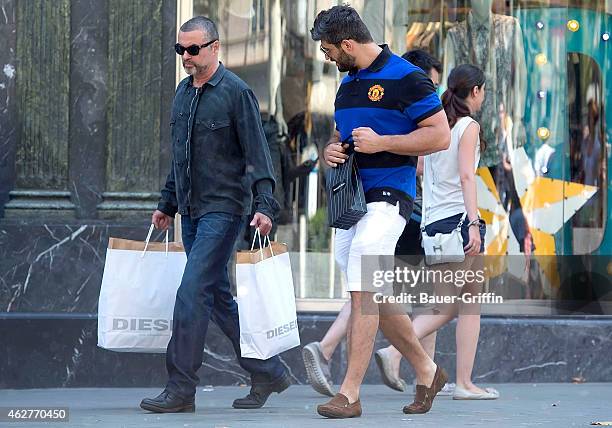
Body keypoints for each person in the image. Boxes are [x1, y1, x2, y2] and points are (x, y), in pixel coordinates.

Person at [140, 16, 290, 413]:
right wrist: (167, 205)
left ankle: (181, 388)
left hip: (224, 212)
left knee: (191, 294)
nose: (186, 57)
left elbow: (259, 156)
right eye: (181, 50)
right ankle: (268, 371)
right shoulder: (182, 93)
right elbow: (180, 157)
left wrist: (264, 206)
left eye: (193, 49)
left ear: (215, 47)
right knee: (219, 298)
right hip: (190, 212)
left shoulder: (237, 93)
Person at [310, 6, 451, 419]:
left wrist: (384, 142)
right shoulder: (346, 85)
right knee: (376, 292)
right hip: (352, 200)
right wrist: (331, 150)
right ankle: (427, 370)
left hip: (391, 197)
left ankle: (349, 393)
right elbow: (342, 137)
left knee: (362, 273)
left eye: (329, 49)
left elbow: (439, 135)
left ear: (348, 44)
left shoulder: (407, 76)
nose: (327, 57)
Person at [414, 63, 499, 400]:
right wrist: (475, 223)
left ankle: (463, 381)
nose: (484, 96)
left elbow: (420, 167)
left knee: (453, 303)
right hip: (456, 224)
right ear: (475, 91)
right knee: (459, 306)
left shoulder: (439, 126)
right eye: (483, 91)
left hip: (431, 225)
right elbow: (467, 176)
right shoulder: (468, 126)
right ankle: (460, 381)